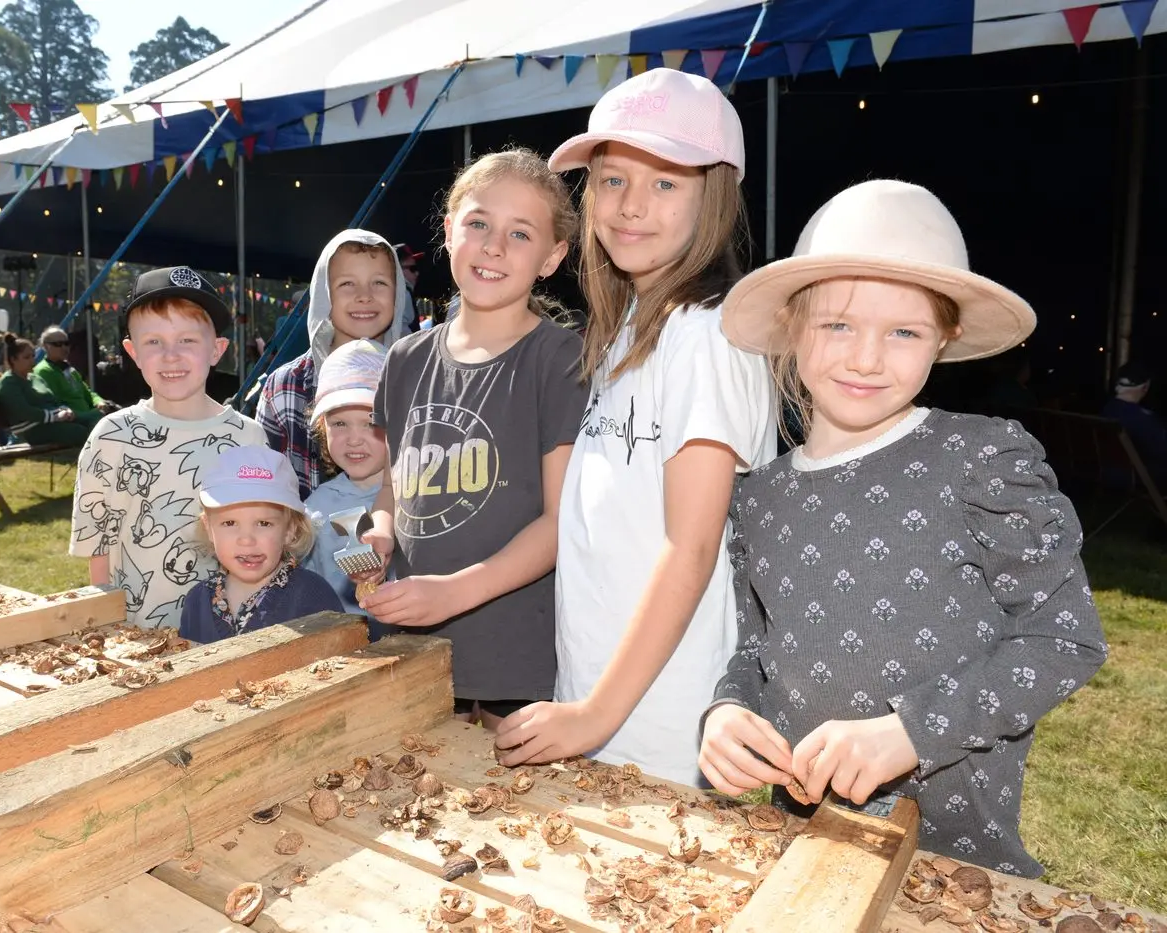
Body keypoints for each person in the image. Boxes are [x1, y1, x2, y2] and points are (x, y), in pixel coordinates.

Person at [699, 179, 1107, 876]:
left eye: (903, 332)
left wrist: (913, 732)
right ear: (793, 326)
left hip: (951, 860)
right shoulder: (759, 496)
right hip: (803, 849)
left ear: (944, 337)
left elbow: (1064, 636)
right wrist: (729, 711)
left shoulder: (981, 461)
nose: (866, 357)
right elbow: (760, 649)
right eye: (838, 325)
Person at [493, 70, 776, 784]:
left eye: (665, 184)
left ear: (713, 196)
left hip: (664, 725)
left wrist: (595, 713)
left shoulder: (708, 334)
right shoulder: (628, 327)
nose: (631, 207)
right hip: (600, 702)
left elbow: (693, 544)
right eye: (613, 180)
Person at [358, 149, 590, 729]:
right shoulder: (406, 358)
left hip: (515, 659)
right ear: (449, 230)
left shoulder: (560, 360)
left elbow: (560, 523)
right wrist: (380, 534)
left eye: (521, 233)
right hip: (413, 647)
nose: (493, 246)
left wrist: (454, 593)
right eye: (479, 223)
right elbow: (394, 485)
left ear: (552, 257)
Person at [70, 267, 268, 629]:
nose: (171, 355)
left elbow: (265, 539)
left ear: (217, 350)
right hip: (135, 634)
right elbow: (98, 548)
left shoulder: (249, 439)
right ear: (132, 351)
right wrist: (105, 626)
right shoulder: (110, 436)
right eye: (154, 341)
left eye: (188, 341)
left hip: (228, 634)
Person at [257, 231, 410, 499]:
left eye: (379, 283)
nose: (365, 296)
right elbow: (265, 486)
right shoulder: (284, 386)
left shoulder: (417, 377)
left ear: (397, 294)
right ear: (324, 295)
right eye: (347, 284)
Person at [178, 446, 340, 643]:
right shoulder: (197, 602)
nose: (246, 540)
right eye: (229, 523)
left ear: (290, 530)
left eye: (264, 523)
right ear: (209, 527)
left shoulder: (314, 595)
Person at [304, 339, 392, 638]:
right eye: (339, 424)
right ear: (322, 428)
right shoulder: (315, 508)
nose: (354, 439)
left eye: (370, 423)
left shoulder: (416, 498)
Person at [0, 333, 102, 447]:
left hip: (54, 420)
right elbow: (24, 412)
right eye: (26, 357)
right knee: (81, 432)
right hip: (33, 429)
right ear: (13, 359)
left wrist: (63, 410)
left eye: (33, 356)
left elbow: (53, 401)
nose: (32, 361)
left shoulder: (34, 378)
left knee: (98, 417)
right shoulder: (8, 383)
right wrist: (55, 415)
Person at [1101, 361, 1166, 487]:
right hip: (1131, 475)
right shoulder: (1141, 419)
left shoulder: (1108, 409)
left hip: (1109, 470)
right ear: (1145, 387)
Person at [32, 325, 119, 417]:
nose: (64, 348)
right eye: (58, 344)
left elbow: (88, 393)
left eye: (67, 343)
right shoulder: (44, 371)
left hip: (89, 417)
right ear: (46, 346)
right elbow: (57, 407)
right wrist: (92, 415)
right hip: (73, 422)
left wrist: (99, 401)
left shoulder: (70, 369)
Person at [394, 242, 425, 333]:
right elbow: (402, 331)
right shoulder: (403, 293)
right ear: (397, 270)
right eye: (412, 269)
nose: (417, 273)